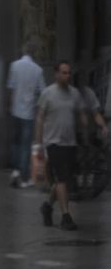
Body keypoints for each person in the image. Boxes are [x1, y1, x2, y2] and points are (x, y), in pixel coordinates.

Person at [34, 60, 107, 231]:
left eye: (68, 73)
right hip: (54, 143)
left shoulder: (74, 94)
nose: (67, 76)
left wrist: (94, 126)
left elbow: (83, 113)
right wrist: (39, 143)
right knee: (62, 179)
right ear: (56, 74)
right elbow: (40, 118)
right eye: (64, 72)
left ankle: (47, 206)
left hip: (70, 143)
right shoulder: (47, 93)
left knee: (63, 180)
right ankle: (66, 217)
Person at [7, 42, 45, 188]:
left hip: (15, 111)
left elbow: (11, 88)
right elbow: (42, 92)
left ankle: (15, 171)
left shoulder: (14, 66)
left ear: (22, 51)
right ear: (33, 53)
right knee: (25, 145)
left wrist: (9, 106)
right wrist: (38, 107)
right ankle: (24, 178)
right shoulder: (38, 70)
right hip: (28, 113)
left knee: (16, 142)